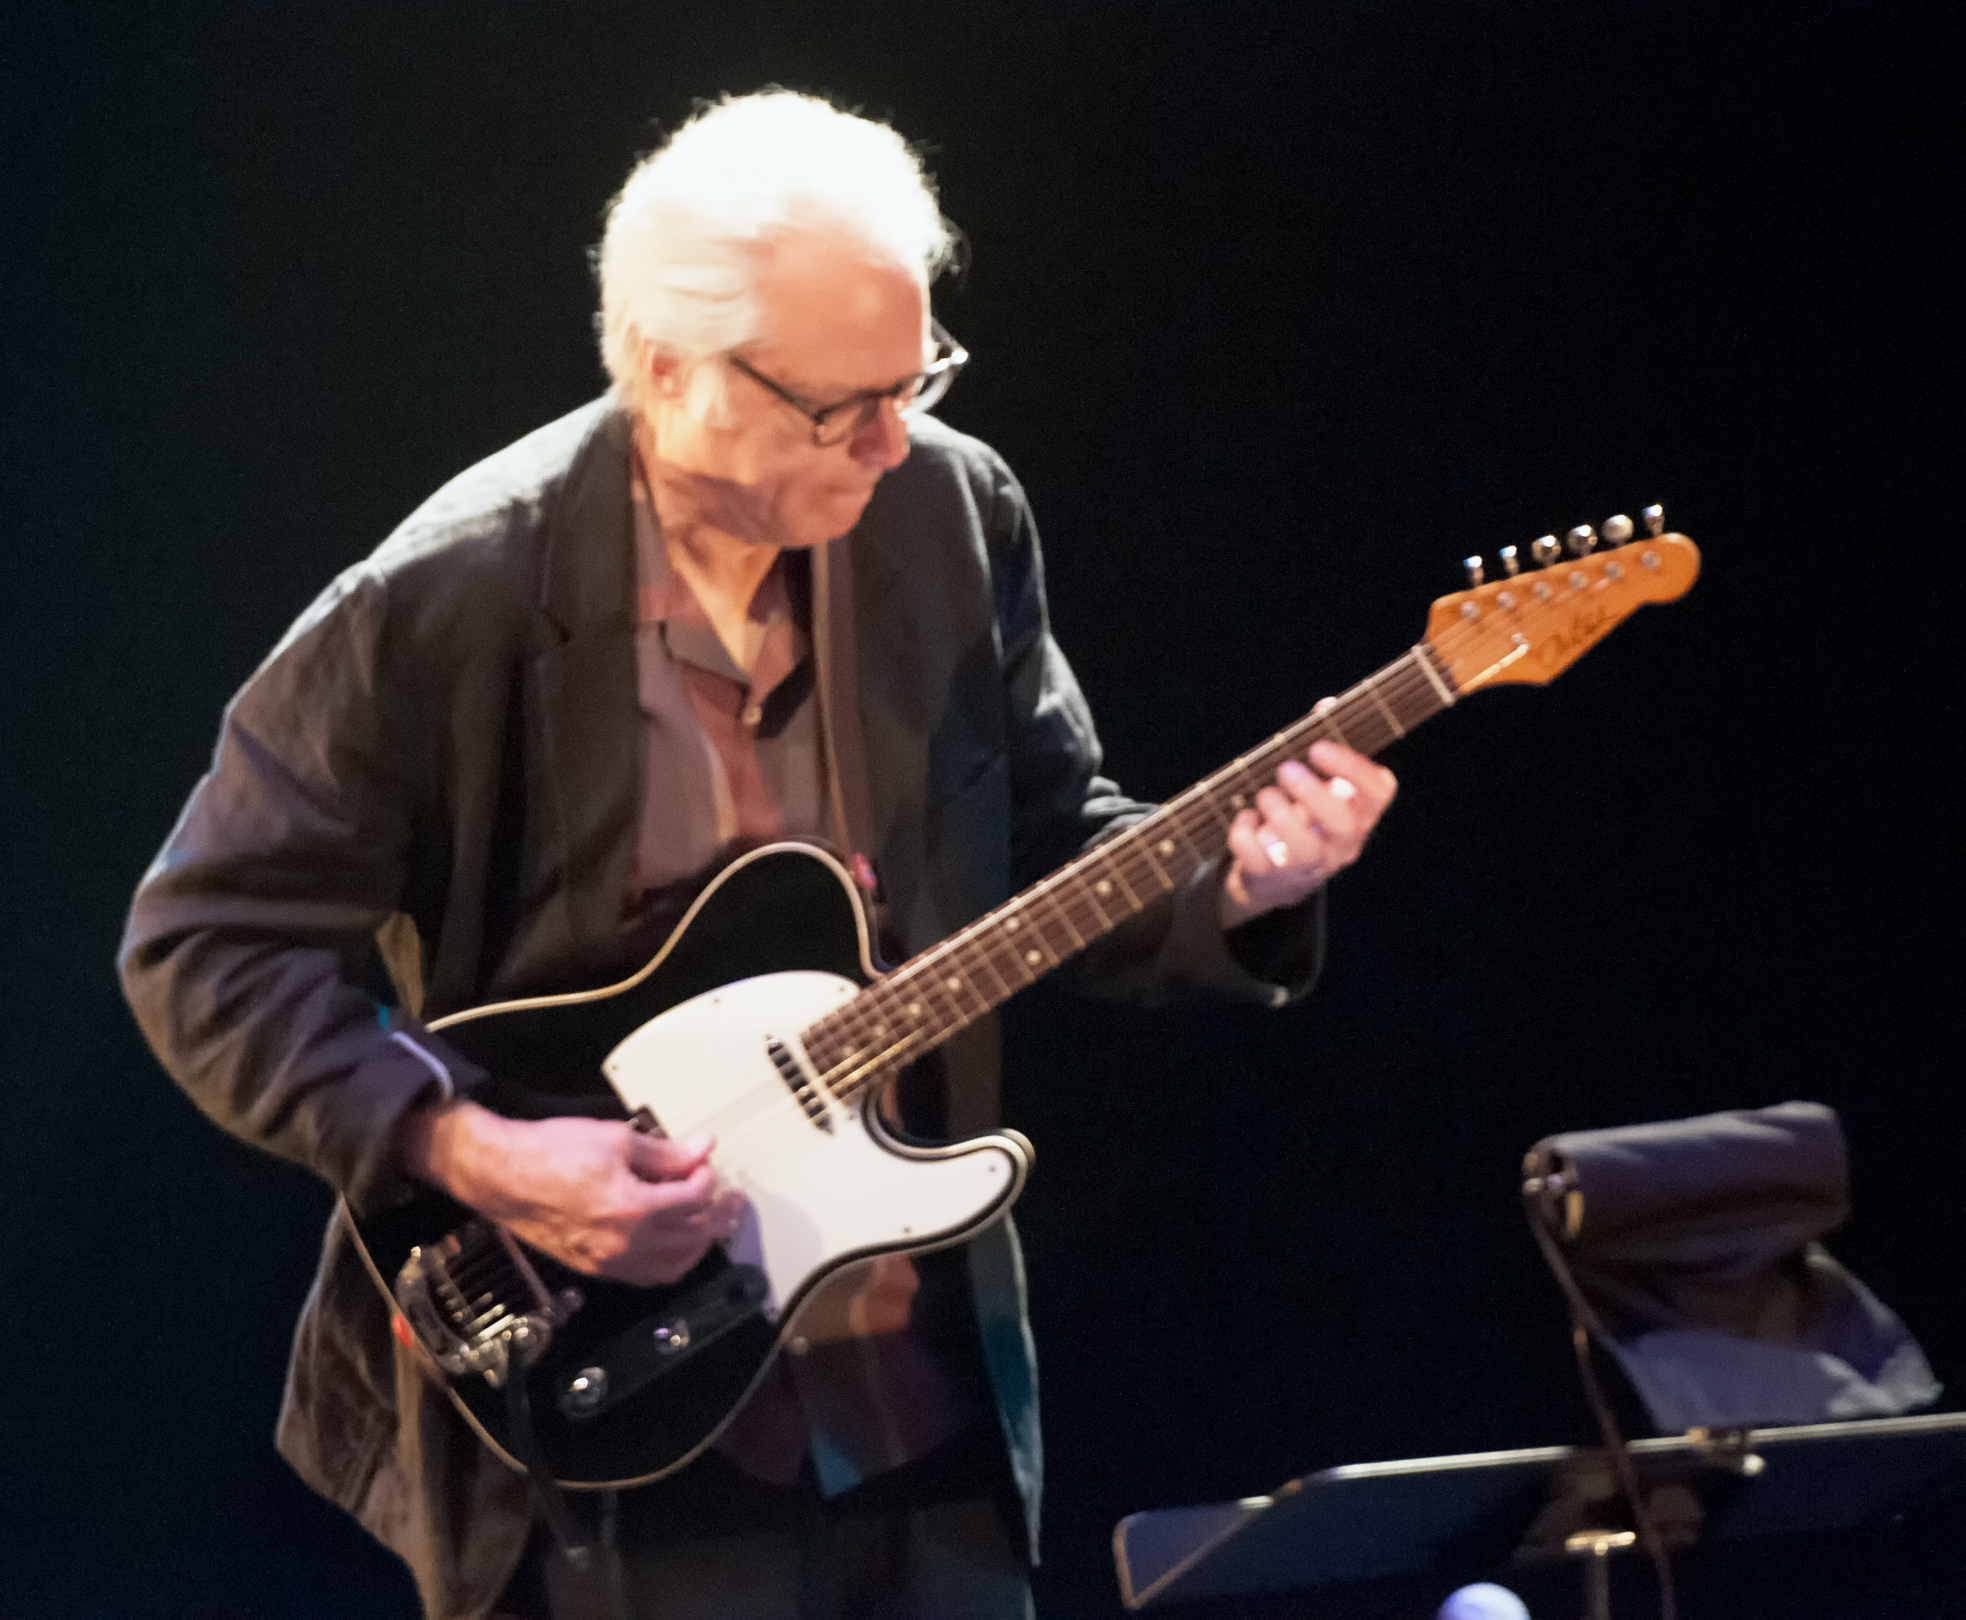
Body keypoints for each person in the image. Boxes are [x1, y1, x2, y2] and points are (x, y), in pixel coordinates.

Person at [120, 91, 1397, 1620]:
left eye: (915, 376)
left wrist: (1243, 888)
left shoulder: (946, 516)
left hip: (918, 1409)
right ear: (668, 369)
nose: (893, 434)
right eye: (838, 405)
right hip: (604, 1433)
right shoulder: (444, 600)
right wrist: (476, 1153)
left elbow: (1058, 851)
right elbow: (206, 946)